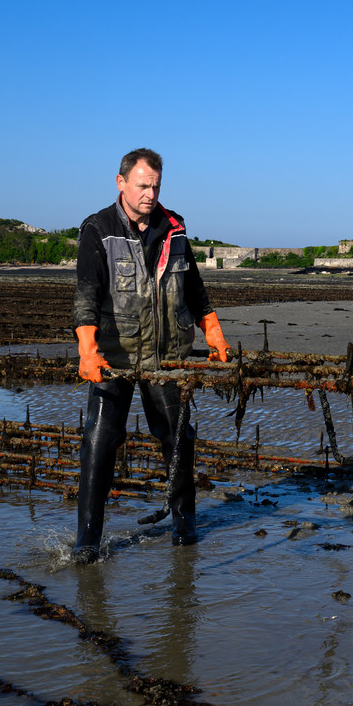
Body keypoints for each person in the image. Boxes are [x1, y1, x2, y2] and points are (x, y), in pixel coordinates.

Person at [71, 148, 230, 561]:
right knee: (99, 443)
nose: (150, 193)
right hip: (115, 358)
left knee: (178, 439)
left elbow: (194, 286)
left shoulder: (173, 227)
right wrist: (87, 351)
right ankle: (87, 542)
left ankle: (185, 530)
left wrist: (212, 331)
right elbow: (86, 296)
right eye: (142, 185)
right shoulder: (98, 229)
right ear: (121, 182)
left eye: (156, 186)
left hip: (165, 358)